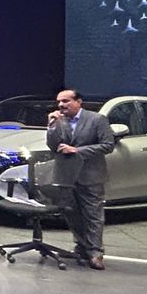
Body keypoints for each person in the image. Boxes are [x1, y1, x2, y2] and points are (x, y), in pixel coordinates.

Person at [47, 89, 116, 270]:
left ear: (78, 102)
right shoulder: (59, 120)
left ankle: (95, 252)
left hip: (90, 175)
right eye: (59, 102)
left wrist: (78, 150)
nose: (61, 105)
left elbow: (108, 145)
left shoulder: (97, 120)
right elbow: (53, 146)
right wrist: (52, 127)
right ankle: (82, 246)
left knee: (93, 215)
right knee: (71, 212)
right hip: (66, 176)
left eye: (66, 101)